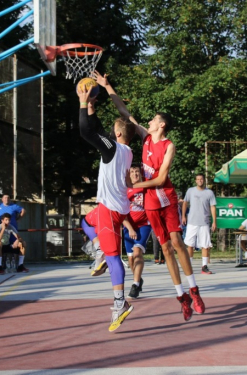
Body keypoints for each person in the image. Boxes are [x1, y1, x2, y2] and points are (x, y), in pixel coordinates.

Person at [93, 71, 205, 321]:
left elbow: (162, 178)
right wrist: (108, 85)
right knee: (164, 248)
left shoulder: (168, 145)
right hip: (150, 200)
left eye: (154, 119)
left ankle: (194, 290)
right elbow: (124, 111)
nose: (150, 121)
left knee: (176, 241)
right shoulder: (144, 138)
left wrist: (138, 185)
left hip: (165, 196)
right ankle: (181, 297)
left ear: (161, 125)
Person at [78, 81, 135, 332]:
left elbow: (87, 132)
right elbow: (98, 129)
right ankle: (99, 248)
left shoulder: (112, 148)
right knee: (84, 221)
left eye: (114, 129)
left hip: (110, 210)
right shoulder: (127, 150)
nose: (110, 132)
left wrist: (82, 102)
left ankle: (120, 303)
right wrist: (92, 106)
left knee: (115, 261)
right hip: (117, 207)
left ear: (119, 134)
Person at [123, 166, 151, 299]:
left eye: (137, 172)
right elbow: (121, 214)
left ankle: (134, 285)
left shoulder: (146, 187)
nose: (135, 174)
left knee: (137, 252)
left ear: (140, 174)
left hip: (144, 225)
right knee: (130, 259)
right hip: (128, 226)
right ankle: (138, 278)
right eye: (132, 172)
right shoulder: (124, 190)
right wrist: (129, 228)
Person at [182, 173, 217, 275]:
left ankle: (204, 267)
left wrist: (214, 221)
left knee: (205, 245)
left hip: (204, 222)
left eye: (201, 179)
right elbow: (185, 202)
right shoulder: (190, 191)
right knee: (190, 245)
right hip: (192, 222)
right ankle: (189, 266)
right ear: (195, 181)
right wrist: (183, 216)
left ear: (204, 180)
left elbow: (213, 207)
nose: (200, 181)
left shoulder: (209, 193)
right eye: (198, 179)